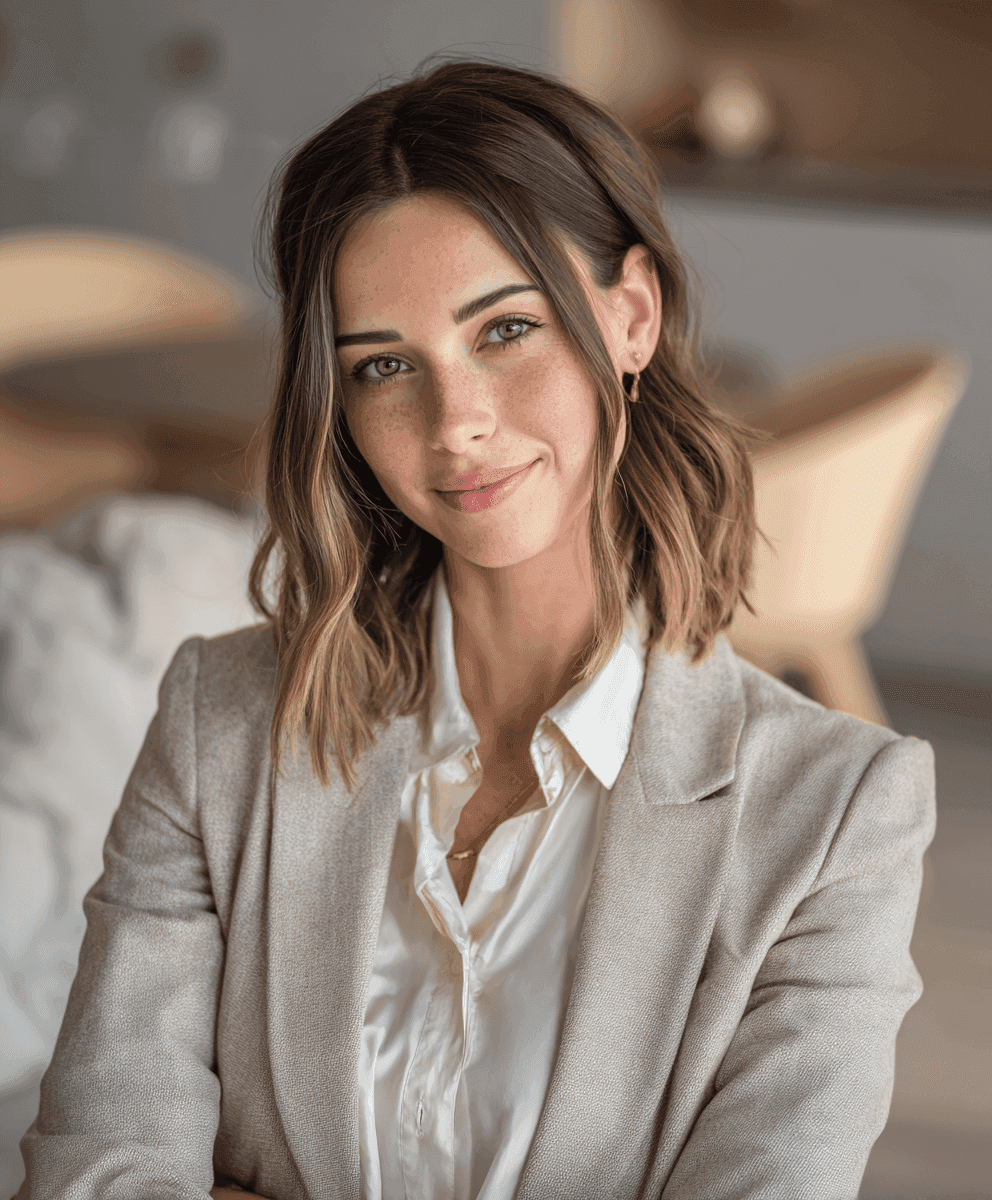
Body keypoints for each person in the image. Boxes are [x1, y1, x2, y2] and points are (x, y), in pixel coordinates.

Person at [17, 59, 934, 1200]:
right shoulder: (219, 726)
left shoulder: (836, 815)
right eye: (384, 365)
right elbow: (96, 1169)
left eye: (505, 330)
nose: (455, 424)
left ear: (630, 316)